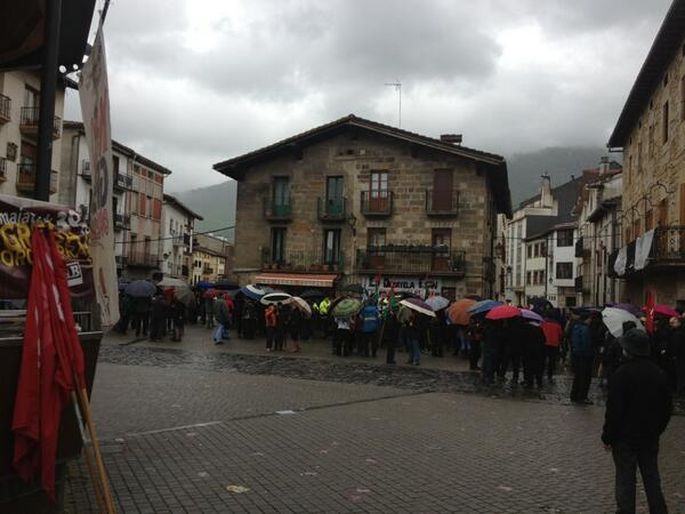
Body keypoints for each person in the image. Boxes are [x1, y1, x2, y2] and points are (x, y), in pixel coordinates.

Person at [602, 328, 672, 514]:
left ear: (628, 350)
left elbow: (614, 411)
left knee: (625, 479)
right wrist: (657, 429)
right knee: (651, 477)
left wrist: (608, 437)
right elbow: (667, 408)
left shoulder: (622, 374)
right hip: (649, 436)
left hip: (625, 438)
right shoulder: (658, 373)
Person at [570, 313, 594, 405]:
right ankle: (582, 397)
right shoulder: (585, 329)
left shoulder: (576, 327)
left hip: (576, 354)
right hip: (584, 356)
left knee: (578, 376)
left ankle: (574, 395)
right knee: (585, 377)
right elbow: (586, 343)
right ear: (587, 319)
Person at [541, 316, 563, 382]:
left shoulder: (543, 324)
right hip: (554, 344)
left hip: (544, 343)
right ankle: (550, 375)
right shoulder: (557, 325)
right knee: (552, 360)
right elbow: (561, 334)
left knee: (543, 359)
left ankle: (541, 374)